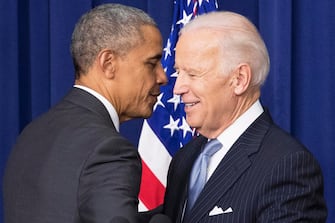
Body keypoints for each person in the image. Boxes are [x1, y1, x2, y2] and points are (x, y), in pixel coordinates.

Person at [3, 3, 167, 223]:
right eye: (152, 63)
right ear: (108, 63)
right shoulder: (109, 149)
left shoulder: (32, 133)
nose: (162, 77)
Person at [160, 11, 328, 222]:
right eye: (178, 72)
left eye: (192, 74)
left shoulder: (287, 166)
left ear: (239, 79)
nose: (177, 88)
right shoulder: (185, 159)